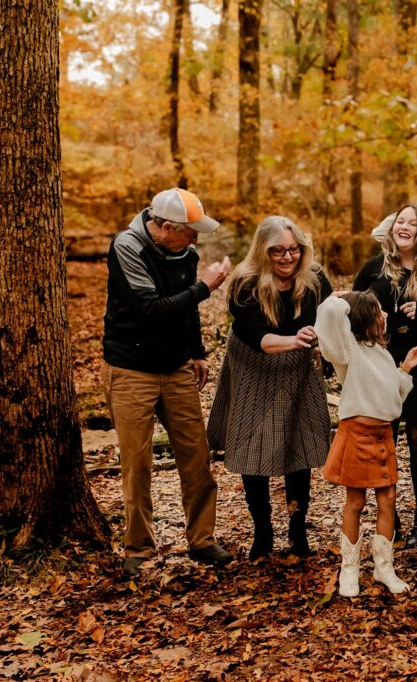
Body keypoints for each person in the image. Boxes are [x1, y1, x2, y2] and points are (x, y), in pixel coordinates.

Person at [103, 188, 234, 577]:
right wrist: (205, 289)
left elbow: (185, 309)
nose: (196, 242)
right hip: (131, 369)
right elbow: (151, 310)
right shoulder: (128, 247)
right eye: (190, 233)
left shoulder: (185, 253)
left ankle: (202, 540)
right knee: (137, 462)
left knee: (196, 455)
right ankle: (139, 548)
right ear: (163, 227)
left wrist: (196, 351)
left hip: (176, 367)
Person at [207, 216, 333, 560]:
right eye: (277, 250)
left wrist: (326, 343)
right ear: (263, 250)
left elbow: (332, 317)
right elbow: (256, 336)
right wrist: (295, 339)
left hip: (298, 370)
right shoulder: (244, 283)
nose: (286, 257)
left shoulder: (316, 279)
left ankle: (297, 527)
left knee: (298, 446)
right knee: (253, 449)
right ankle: (262, 530)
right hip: (254, 368)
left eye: (293, 249)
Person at [354, 204, 417, 549]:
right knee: (382, 438)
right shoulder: (374, 268)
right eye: (400, 221)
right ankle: (389, 518)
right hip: (381, 363)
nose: (404, 227)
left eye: (412, 223)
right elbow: (352, 312)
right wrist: (371, 313)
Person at [314, 291, 417, 596]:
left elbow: (392, 398)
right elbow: (329, 314)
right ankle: (349, 570)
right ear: (363, 317)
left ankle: (383, 568)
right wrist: (343, 298)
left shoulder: (382, 353)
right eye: (378, 311)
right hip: (357, 434)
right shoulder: (348, 349)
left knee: (388, 501)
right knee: (356, 503)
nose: (385, 315)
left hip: (383, 435)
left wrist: (404, 370)